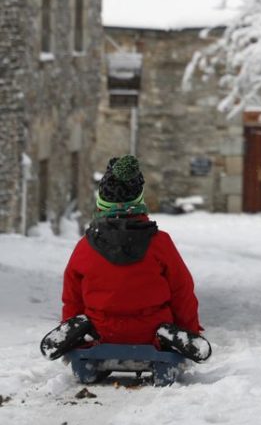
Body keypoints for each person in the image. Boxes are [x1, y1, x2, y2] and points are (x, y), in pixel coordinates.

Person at [40, 155, 211, 363]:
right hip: (152, 333)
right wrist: (189, 330)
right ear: (139, 199)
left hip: (101, 332)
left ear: (101, 202)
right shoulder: (160, 243)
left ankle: (75, 335)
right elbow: (182, 293)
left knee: (84, 321)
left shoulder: (85, 246)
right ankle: (173, 337)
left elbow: (72, 298)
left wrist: (73, 325)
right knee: (167, 328)